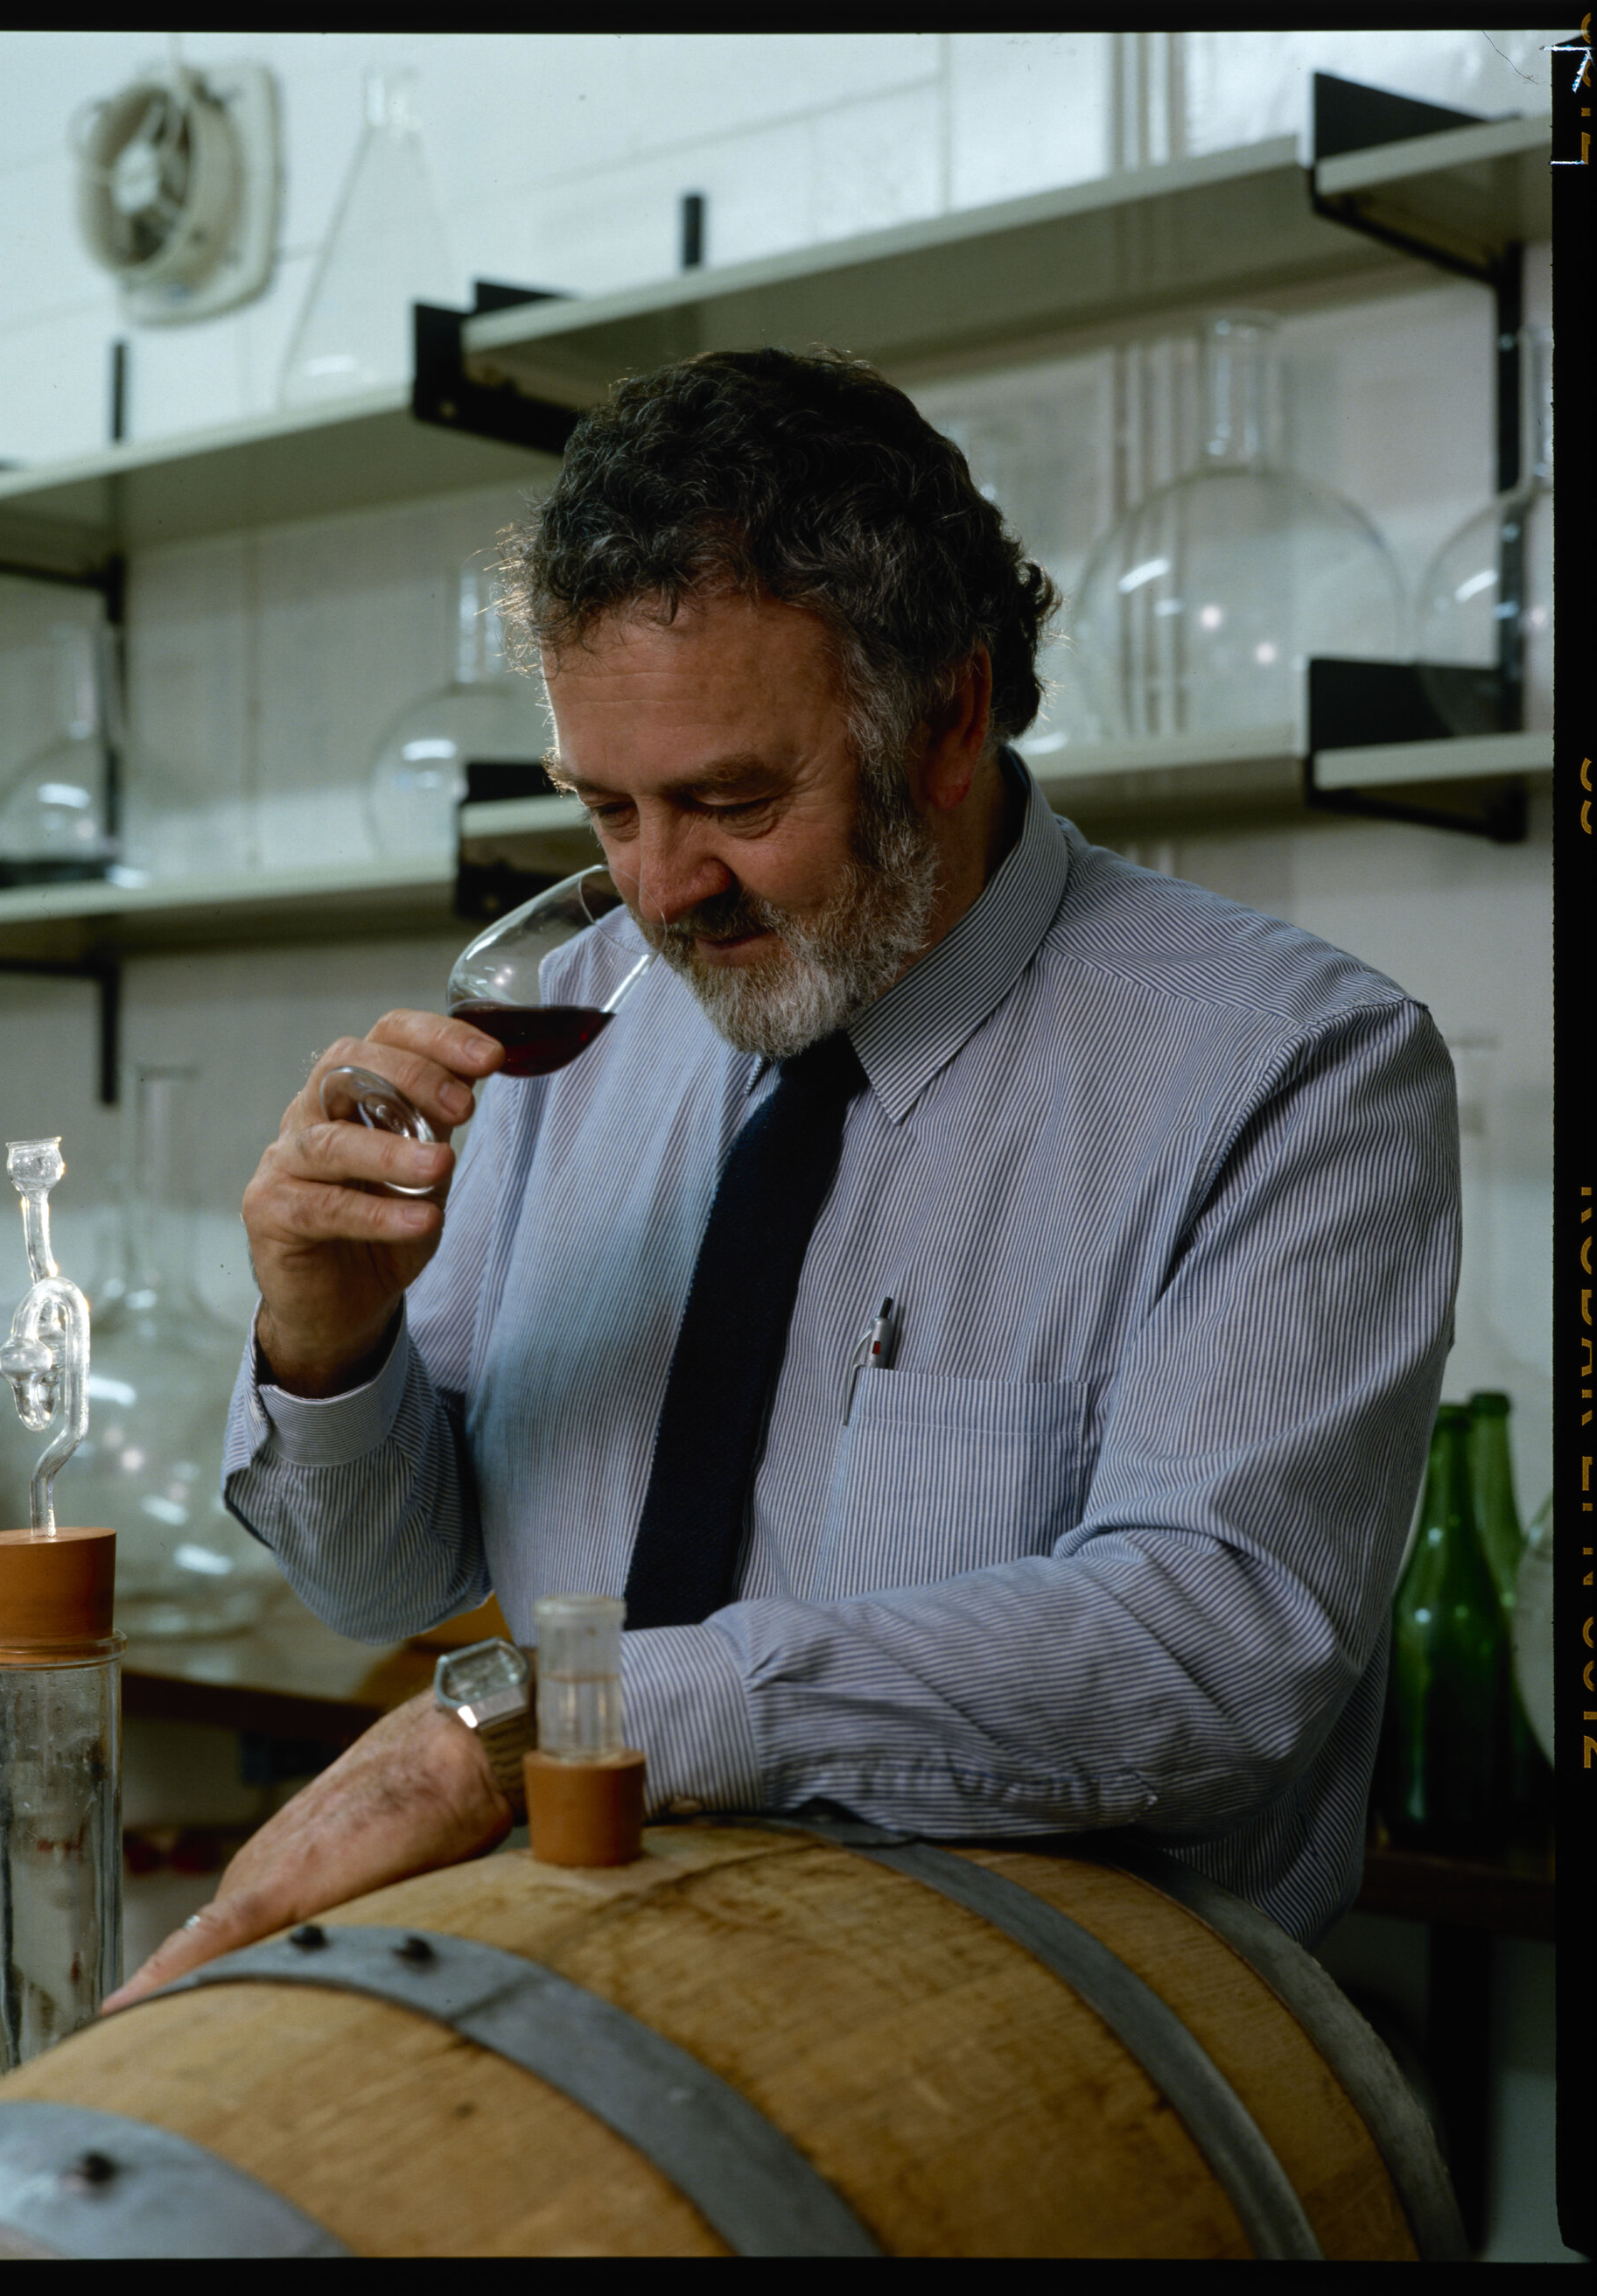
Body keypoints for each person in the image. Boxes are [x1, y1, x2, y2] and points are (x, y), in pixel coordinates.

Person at [104, 348, 1458, 2013]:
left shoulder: (1291, 1065)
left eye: (734, 801)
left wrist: (583, 1716)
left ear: (949, 716)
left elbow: (1209, 1649)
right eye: (605, 808)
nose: (663, 892)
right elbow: (380, 1580)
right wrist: (326, 1342)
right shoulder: (577, 1020)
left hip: (1036, 2066)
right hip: (580, 2007)